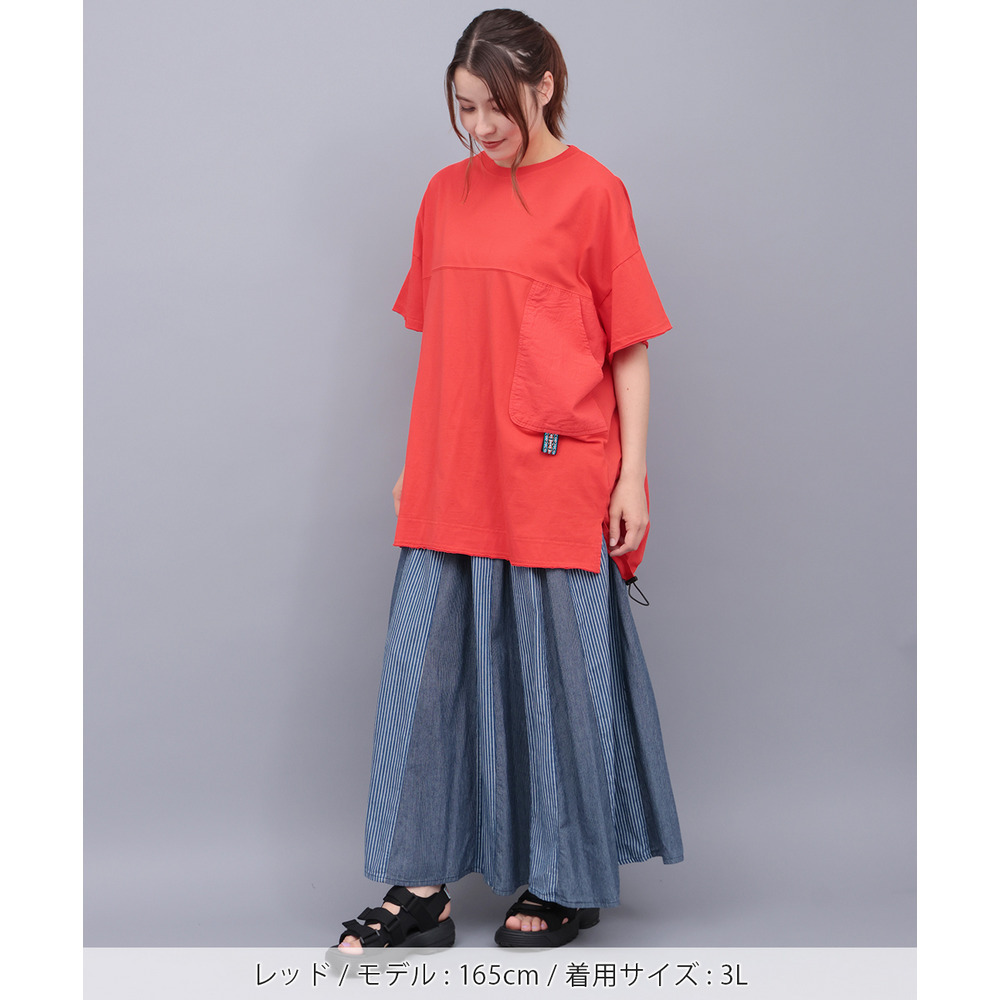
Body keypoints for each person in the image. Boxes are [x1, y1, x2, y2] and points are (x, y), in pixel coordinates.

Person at [337, 8, 683, 952]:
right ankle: (421, 891)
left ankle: (563, 882)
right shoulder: (442, 195)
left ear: (544, 88)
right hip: (452, 473)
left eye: (497, 107)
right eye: (464, 107)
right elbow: (447, 344)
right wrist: (411, 463)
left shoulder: (595, 193)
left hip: (552, 474)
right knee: (427, 682)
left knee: (556, 684)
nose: (481, 127)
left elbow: (628, 348)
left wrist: (633, 478)